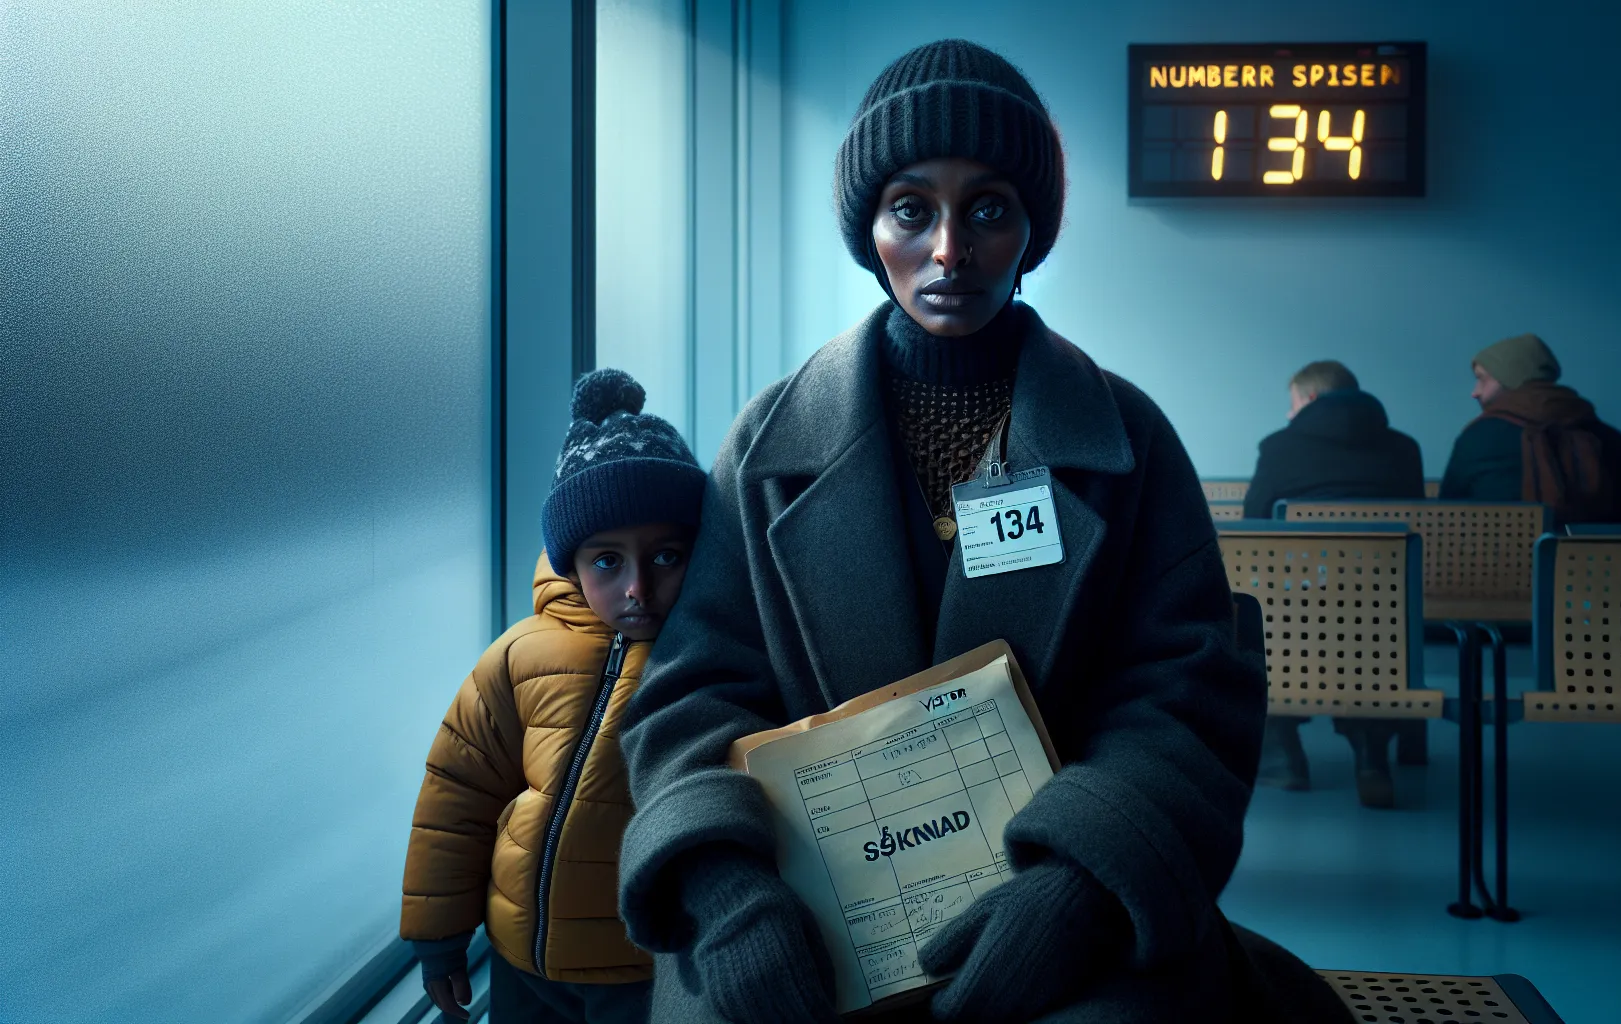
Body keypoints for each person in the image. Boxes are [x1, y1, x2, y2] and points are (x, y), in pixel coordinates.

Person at [614, 39, 1351, 1024]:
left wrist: (1079, 888)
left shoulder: (1125, 439)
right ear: (868, 224)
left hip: (1063, 893)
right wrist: (727, 892)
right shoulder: (764, 441)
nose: (949, 252)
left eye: (988, 209)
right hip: (807, 902)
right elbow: (697, 689)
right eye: (911, 208)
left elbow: (1181, 694)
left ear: (1030, 228)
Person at [399, 369, 705, 1024]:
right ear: (570, 561)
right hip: (519, 961)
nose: (636, 590)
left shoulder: (708, 660)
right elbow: (457, 794)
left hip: (644, 970)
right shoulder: (520, 656)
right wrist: (438, 935)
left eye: (665, 557)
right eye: (607, 562)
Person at [1244, 360, 1427, 809]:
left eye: (1292, 405)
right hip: (1384, 606)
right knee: (1367, 625)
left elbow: (1255, 522)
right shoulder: (1405, 448)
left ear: (1308, 399)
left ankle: (1281, 759)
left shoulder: (1279, 446)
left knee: (1249, 624)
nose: (1289, 416)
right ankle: (1370, 754)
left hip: (1295, 608)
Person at [1440, 333, 1621, 524]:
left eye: (1482, 379)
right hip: (1593, 560)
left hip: (1495, 559)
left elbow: (1445, 517)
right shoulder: (1618, 442)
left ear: (1510, 377)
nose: (1475, 392)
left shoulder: (1479, 438)